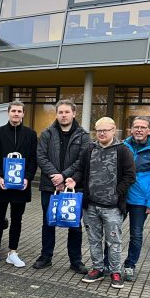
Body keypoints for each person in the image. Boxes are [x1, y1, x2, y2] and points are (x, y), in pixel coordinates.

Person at [66, 117, 136, 289]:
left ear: (114, 130)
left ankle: (115, 272)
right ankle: (97, 269)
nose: (102, 133)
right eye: (99, 130)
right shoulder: (89, 149)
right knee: (94, 239)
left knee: (114, 241)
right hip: (90, 206)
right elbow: (81, 170)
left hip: (112, 207)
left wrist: (116, 193)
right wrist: (74, 181)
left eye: (106, 130)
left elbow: (130, 176)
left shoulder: (123, 151)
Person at [33, 99, 90, 273]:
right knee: (48, 222)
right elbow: (41, 156)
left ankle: (76, 260)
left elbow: (83, 160)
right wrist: (55, 177)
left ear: (74, 113)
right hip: (50, 186)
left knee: (74, 225)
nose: (63, 115)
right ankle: (46, 256)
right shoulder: (47, 133)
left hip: (73, 186)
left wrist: (64, 177)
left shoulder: (84, 136)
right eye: (60, 112)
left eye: (67, 112)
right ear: (56, 114)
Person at [0, 101, 38, 268]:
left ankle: (13, 252)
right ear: (8, 113)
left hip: (21, 185)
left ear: (23, 114)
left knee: (17, 219)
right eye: (13, 111)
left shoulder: (31, 134)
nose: (16, 114)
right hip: (1, 184)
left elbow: (33, 159)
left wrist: (28, 178)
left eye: (19, 111)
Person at [118, 116, 150, 281]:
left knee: (136, 234)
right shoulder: (121, 146)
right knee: (112, 231)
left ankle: (130, 265)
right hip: (121, 197)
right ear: (130, 129)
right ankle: (108, 262)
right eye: (136, 127)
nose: (139, 130)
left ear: (149, 131)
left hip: (141, 200)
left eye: (143, 127)